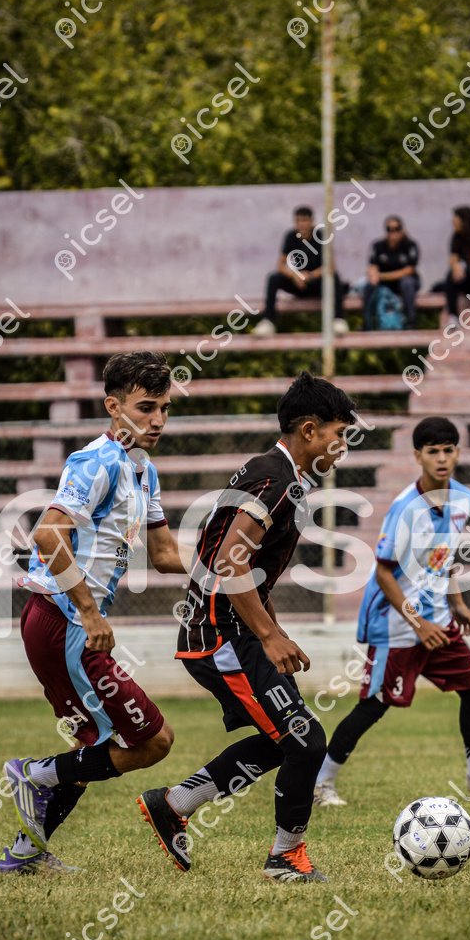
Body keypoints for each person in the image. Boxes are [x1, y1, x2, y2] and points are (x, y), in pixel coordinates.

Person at [138, 372, 357, 883]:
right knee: (305, 741)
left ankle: (174, 804)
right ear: (309, 430)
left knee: (285, 739)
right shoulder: (277, 482)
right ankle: (285, 857)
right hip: (222, 636)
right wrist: (268, 636)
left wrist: (272, 629)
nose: (342, 446)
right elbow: (232, 563)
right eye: (338, 434)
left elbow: (244, 567)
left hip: (230, 631)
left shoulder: (271, 473)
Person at [0, 351, 186, 874]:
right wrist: (89, 611)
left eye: (165, 409)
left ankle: (25, 853)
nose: (158, 420)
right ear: (113, 406)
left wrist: (229, 567)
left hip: (67, 625)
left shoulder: (143, 470)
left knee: (93, 747)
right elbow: (46, 534)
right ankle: (33, 773)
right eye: (146, 408)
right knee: (154, 742)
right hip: (63, 623)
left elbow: (165, 555)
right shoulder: (96, 461)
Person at [314, 415, 470, 808]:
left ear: (458, 453)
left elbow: (444, 556)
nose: (442, 458)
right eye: (433, 451)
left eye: (448, 450)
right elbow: (383, 572)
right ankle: (320, 782)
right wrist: (418, 625)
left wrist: (457, 602)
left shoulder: (463, 499)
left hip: (438, 620)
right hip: (397, 626)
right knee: (374, 705)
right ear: (418, 456)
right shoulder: (405, 509)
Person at [252, 206, 348, 337]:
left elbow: (330, 266)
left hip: (317, 285)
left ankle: (338, 320)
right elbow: (280, 265)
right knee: (273, 278)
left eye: (305, 220)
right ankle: (268, 321)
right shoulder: (291, 236)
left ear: (311, 221)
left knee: (334, 278)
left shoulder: (321, 236)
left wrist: (310, 276)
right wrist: (295, 276)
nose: (302, 224)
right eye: (298, 221)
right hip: (298, 285)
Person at [364, 215, 421, 329]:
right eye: (389, 229)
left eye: (396, 229)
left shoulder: (410, 245)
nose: (393, 233)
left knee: (407, 283)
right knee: (368, 286)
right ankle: (367, 323)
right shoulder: (378, 246)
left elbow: (409, 270)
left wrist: (382, 276)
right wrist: (373, 275)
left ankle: (411, 321)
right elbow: (372, 265)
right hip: (384, 283)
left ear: (402, 230)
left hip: (404, 282)